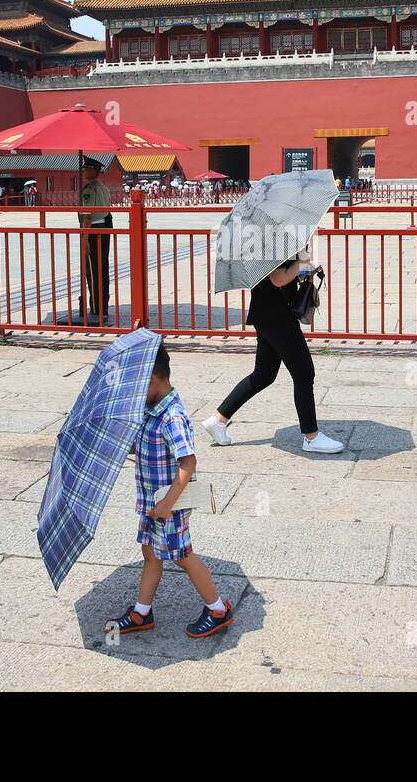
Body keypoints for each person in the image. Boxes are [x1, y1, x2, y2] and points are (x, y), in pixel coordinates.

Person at [105, 344, 234, 639]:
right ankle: (142, 612)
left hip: (170, 504)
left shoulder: (172, 416)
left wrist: (167, 504)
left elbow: (188, 462)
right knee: (150, 552)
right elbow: (146, 449)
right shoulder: (152, 411)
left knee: (182, 555)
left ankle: (217, 609)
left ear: (151, 380)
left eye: (137, 386)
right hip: (154, 502)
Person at [203, 245, 344, 454]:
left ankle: (218, 420)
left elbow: (281, 279)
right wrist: (301, 262)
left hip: (268, 313)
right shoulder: (270, 241)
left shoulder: (271, 237)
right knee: (304, 373)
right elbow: (277, 279)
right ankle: (311, 437)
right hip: (276, 317)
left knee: (264, 374)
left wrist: (303, 271)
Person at [78, 157, 113, 322]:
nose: (84, 172)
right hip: (105, 229)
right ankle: (103, 306)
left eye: (86, 169)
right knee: (103, 268)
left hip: (93, 232)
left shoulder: (89, 190)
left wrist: (84, 238)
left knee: (93, 271)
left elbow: (88, 216)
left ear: (93, 170)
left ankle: (97, 308)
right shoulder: (104, 188)